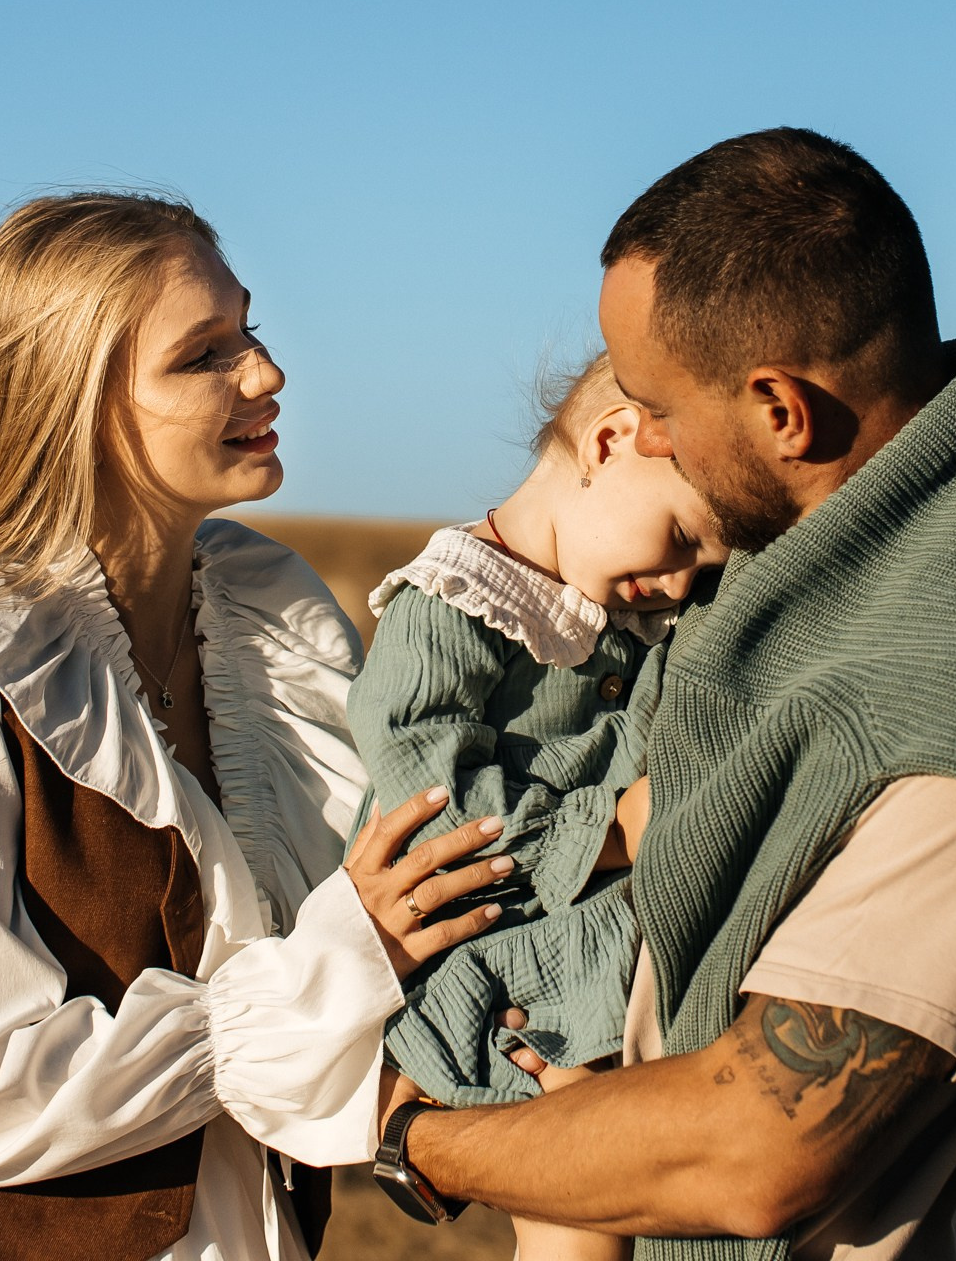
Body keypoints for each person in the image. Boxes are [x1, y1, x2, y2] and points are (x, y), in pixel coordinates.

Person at [368, 130, 956, 1261]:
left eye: (658, 406)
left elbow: (755, 1150)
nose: (635, 435)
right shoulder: (800, 556)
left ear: (782, 412)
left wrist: (419, 1139)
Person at [0, 191, 513, 1261]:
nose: (265, 374)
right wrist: (323, 973)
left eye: (250, 331)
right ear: (75, 402)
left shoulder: (274, 620)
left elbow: (368, 934)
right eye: (203, 355)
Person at [347, 351, 729, 1261]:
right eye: (681, 537)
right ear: (608, 442)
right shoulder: (451, 607)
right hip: (494, 962)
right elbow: (436, 814)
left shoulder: (635, 625)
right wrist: (612, 831)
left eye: (705, 566)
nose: (679, 584)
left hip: (596, 953)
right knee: (577, 1220)